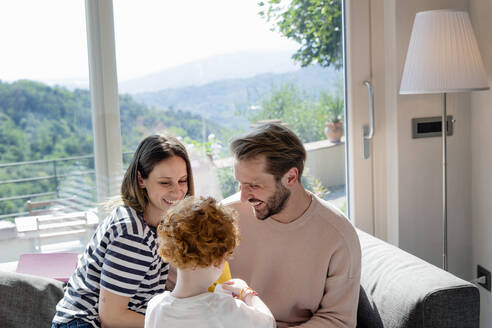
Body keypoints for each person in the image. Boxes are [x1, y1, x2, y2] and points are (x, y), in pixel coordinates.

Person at [225, 123, 361, 327]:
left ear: (291, 177)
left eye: (254, 185)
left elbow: (338, 320)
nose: (244, 197)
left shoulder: (338, 235)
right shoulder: (223, 217)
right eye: (240, 184)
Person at [52, 134, 194, 328]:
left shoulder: (156, 223)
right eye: (165, 182)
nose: (177, 191)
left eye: (182, 180)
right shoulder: (133, 234)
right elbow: (112, 317)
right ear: (141, 179)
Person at [145, 196, 275, 328]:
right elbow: (269, 322)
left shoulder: (155, 307)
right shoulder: (225, 308)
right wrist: (246, 292)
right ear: (219, 260)